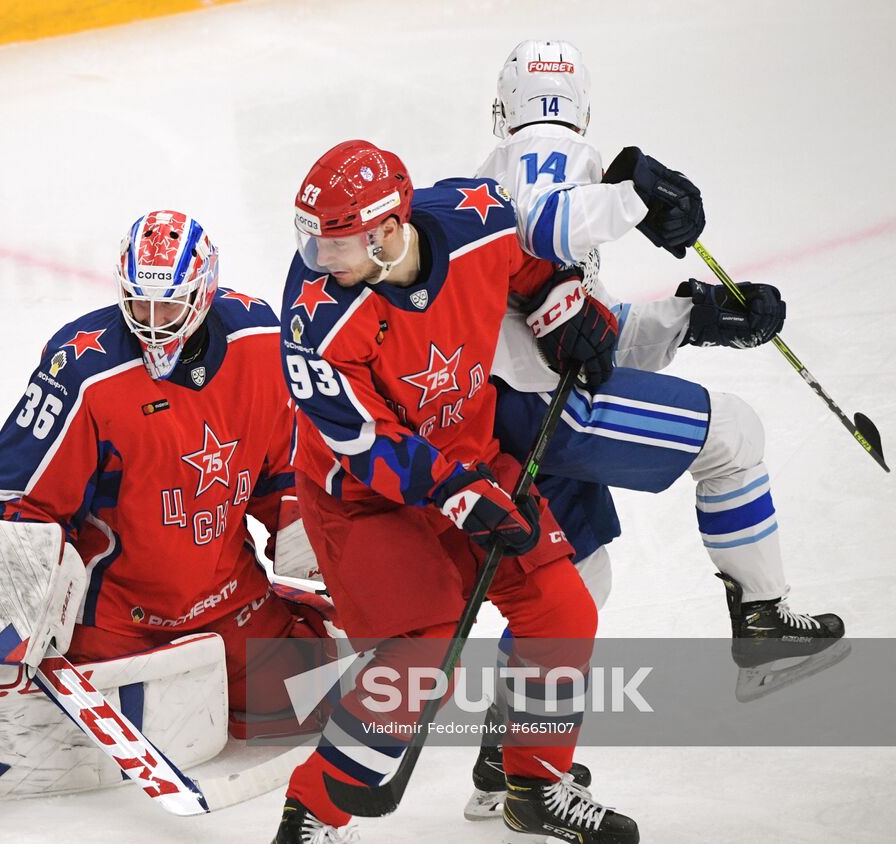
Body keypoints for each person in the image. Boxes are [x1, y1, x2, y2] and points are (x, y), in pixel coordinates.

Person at [0, 210, 336, 822]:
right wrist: (12, 622)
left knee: (369, 695)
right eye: (140, 305)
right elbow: (11, 497)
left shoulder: (260, 344)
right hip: (113, 623)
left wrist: (322, 545)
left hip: (230, 605)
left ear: (206, 292)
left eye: (171, 307)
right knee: (20, 727)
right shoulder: (85, 368)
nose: (154, 326)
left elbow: (284, 470)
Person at [463, 37, 846, 821]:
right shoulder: (544, 152)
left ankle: (507, 760)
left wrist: (693, 316)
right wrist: (633, 194)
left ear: (501, 105)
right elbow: (540, 225)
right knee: (733, 435)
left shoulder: (522, 161)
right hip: (546, 409)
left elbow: (585, 331)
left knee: (577, 581)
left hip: (513, 403)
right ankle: (763, 629)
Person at [271, 140, 639, 844]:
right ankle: (313, 812)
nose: (317, 256)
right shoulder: (316, 320)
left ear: (385, 232)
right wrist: (459, 492)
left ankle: (533, 785)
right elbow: (365, 444)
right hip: (365, 498)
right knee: (418, 651)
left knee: (561, 607)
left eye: (336, 241)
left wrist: (563, 310)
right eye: (312, 237)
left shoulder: (480, 223)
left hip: (468, 456)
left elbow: (530, 265)